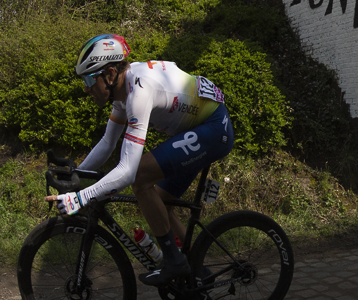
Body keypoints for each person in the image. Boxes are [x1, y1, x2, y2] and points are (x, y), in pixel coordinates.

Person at [44, 34, 234, 285]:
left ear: (110, 74)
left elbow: (128, 171)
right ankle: (198, 272)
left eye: (90, 79)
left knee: (141, 178)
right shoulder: (122, 93)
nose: (86, 87)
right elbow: (107, 144)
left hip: (213, 128)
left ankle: (175, 263)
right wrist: (77, 174)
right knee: (162, 203)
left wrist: (81, 197)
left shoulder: (139, 91)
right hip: (199, 129)